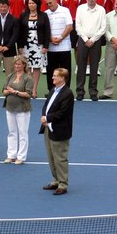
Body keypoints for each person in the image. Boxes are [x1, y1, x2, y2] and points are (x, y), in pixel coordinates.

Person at [40, 68, 74, 196]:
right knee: (51, 157)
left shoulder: (68, 94)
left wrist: (47, 118)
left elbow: (63, 113)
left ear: (62, 78)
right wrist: (44, 117)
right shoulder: (53, 90)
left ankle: (63, 184)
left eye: (55, 76)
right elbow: (46, 105)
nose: (52, 78)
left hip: (60, 131)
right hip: (48, 128)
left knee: (60, 159)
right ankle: (55, 180)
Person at [75, 0, 106, 101]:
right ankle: (80, 91)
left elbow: (103, 27)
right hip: (83, 40)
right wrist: (85, 39)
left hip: (95, 41)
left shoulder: (101, 10)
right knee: (81, 66)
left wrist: (92, 39)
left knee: (94, 67)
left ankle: (93, 92)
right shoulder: (80, 8)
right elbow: (78, 25)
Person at [2, 55, 33, 165]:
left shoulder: (28, 78)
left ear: (24, 65)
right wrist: (9, 91)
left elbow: (29, 94)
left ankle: (21, 156)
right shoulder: (10, 76)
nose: (17, 66)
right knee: (12, 132)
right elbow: (4, 91)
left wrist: (15, 92)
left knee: (22, 133)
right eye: (16, 64)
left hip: (23, 109)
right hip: (10, 108)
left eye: (19, 64)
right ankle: (11, 155)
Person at [18, 0, 50, 99]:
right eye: (29, 3)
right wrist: (20, 46)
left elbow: (47, 31)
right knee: (26, 67)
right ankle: (26, 88)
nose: (31, 5)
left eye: (33, 3)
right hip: (26, 45)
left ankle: (34, 90)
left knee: (36, 68)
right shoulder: (23, 15)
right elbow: (20, 31)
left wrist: (45, 46)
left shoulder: (43, 15)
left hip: (38, 45)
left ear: (37, 4)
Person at [45, 0, 73, 91]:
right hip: (51, 47)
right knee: (51, 71)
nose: (49, 5)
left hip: (64, 47)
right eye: (47, 3)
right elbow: (44, 30)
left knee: (65, 71)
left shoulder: (65, 10)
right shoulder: (46, 13)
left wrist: (60, 38)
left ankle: (65, 91)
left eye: (50, 2)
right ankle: (52, 90)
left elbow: (69, 26)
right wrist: (50, 39)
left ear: (56, 1)